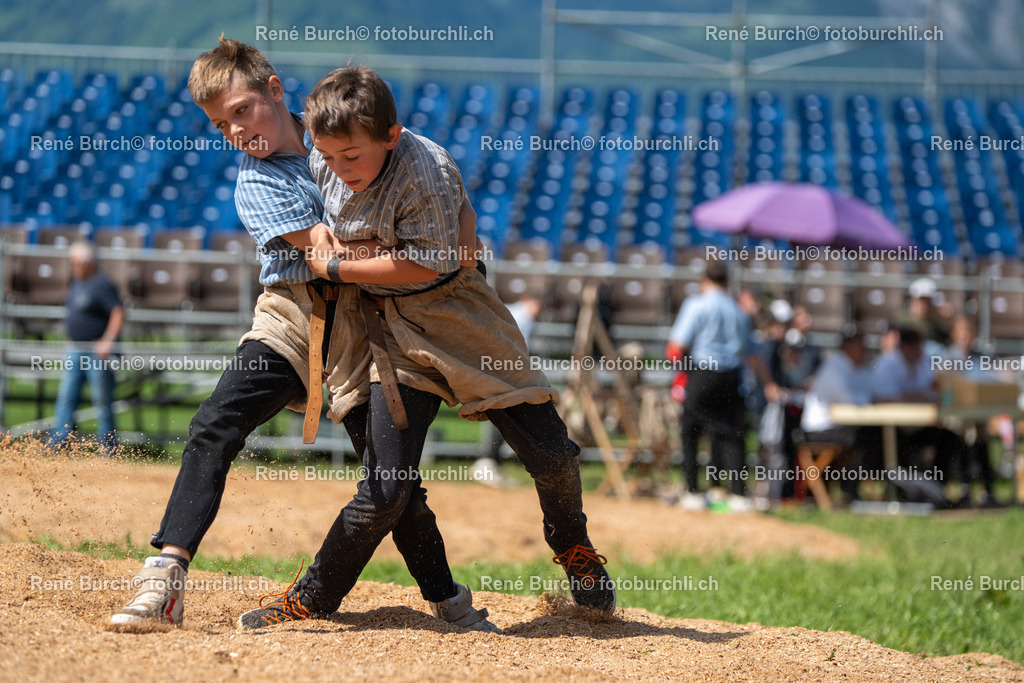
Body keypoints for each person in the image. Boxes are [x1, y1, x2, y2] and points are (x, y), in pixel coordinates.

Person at [110, 37, 496, 633]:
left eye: (241, 111)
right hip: (292, 316)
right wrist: (416, 250)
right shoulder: (255, 183)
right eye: (219, 125)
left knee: (390, 482)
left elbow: (434, 203)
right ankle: (164, 578)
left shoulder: (334, 130)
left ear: (273, 89)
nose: (235, 131)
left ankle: (449, 600)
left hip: (370, 324)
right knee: (216, 421)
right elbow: (328, 249)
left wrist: (443, 241)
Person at [236, 65, 615, 630]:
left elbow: (434, 260)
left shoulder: (426, 168)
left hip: (458, 311)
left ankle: (574, 548)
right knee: (386, 489)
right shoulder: (323, 156)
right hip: (389, 329)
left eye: (352, 157)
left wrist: (341, 264)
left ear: (391, 135)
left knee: (552, 454)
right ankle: (312, 598)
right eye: (329, 157)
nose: (338, 171)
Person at [666, 260, 778, 513]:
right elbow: (754, 354)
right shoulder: (738, 311)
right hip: (731, 376)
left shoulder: (696, 304)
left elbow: (677, 345)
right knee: (732, 433)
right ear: (726, 281)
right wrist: (769, 383)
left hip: (703, 373)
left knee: (689, 430)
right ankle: (739, 495)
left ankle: (693, 492)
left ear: (703, 280)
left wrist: (678, 374)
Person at [872, 326, 968, 505]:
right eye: (914, 346)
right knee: (899, 450)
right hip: (891, 428)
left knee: (948, 439)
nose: (919, 350)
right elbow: (881, 398)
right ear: (904, 347)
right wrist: (917, 396)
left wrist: (918, 396)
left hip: (917, 426)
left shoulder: (924, 363)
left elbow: (934, 393)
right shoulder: (887, 364)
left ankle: (937, 492)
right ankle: (900, 492)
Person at [47, 240, 124, 457]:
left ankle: (108, 448)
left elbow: (118, 313)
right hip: (76, 349)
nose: (73, 267)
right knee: (66, 398)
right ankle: (59, 443)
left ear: (88, 263)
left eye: (76, 263)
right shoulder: (78, 282)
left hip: (95, 352)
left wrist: (108, 339)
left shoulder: (102, 284)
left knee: (101, 401)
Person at [799, 328, 882, 501]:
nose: (865, 350)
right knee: (868, 438)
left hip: (841, 425)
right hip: (820, 429)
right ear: (848, 347)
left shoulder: (859, 368)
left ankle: (851, 486)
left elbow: (874, 393)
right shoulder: (834, 369)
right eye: (861, 346)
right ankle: (849, 487)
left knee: (875, 435)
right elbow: (851, 401)